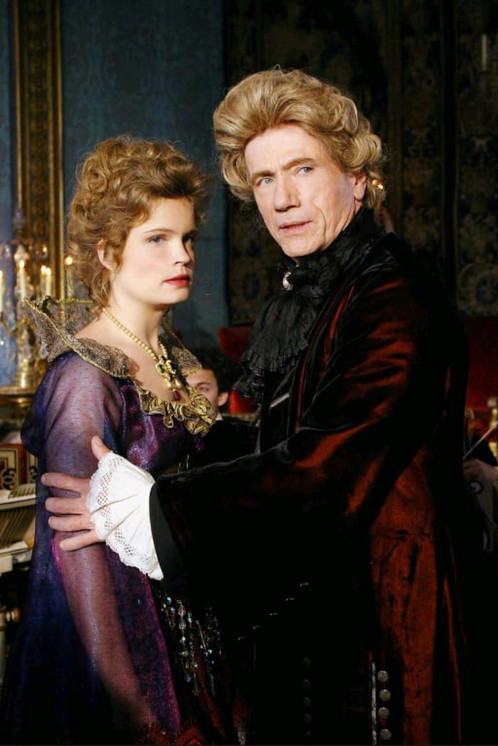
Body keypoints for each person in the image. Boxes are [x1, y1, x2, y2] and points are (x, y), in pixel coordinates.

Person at [42, 69, 488, 745]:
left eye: (303, 169)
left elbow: (322, 471)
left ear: (358, 178)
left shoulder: (393, 298)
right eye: (264, 180)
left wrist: (158, 511)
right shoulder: (326, 291)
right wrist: (187, 434)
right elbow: (281, 441)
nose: (283, 199)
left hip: (389, 635)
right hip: (326, 631)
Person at [0, 136, 245, 745]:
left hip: (190, 630)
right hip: (121, 645)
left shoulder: (172, 358)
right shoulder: (85, 376)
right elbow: (75, 554)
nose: (182, 255)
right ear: (108, 253)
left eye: (187, 238)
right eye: (157, 239)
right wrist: (132, 708)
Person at [186, 348, 258, 465]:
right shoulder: (165, 437)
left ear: (221, 397)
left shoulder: (245, 439)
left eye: (202, 389)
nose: (192, 397)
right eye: (185, 388)